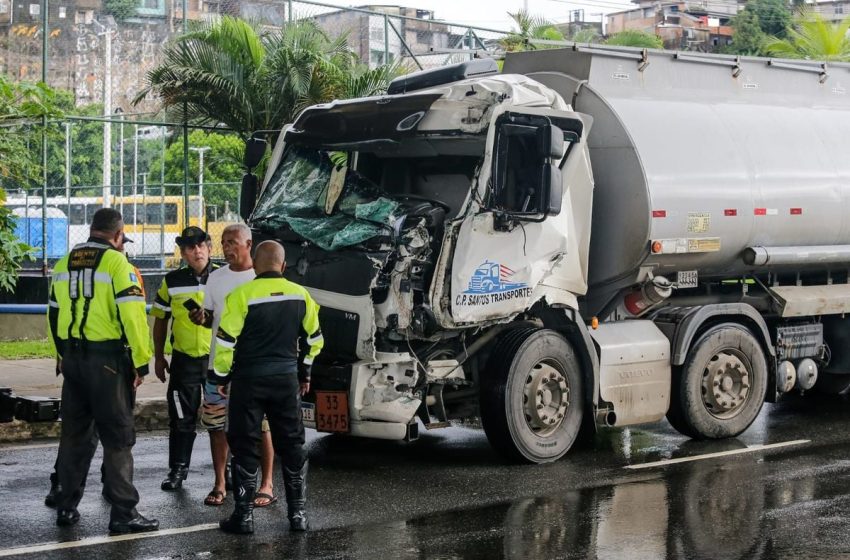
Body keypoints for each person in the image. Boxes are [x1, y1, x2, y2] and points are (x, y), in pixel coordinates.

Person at [47, 208, 158, 534]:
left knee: (74, 436)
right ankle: (124, 513)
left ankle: (66, 507)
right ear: (118, 234)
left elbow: (52, 316)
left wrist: (60, 354)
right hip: (108, 362)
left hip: (73, 362)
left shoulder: (64, 262)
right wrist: (141, 361)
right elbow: (134, 318)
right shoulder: (117, 264)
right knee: (118, 437)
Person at [210, 240, 323, 534]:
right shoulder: (302, 295)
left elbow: (225, 342)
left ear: (256, 266)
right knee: (293, 444)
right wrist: (305, 371)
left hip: (249, 381)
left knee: (244, 444)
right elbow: (315, 340)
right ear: (283, 266)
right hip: (286, 381)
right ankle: (297, 516)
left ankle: (244, 518)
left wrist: (221, 377)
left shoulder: (241, 295)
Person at [192, 223, 277, 507]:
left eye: (233, 242)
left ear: (249, 244)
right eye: (224, 242)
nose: (227, 248)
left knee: (261, 427)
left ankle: (266, 483)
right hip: (218, 367)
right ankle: (220, 482)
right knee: (216, 426)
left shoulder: (261, 278)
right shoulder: (215, 278)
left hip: (252, 369)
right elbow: (212, 321)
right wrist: (201, 319)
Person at [151, 226, 218, 491]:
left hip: (217, 360)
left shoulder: (224, 276)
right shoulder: (172, 280)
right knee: (181, 418)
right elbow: (160, 320)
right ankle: (178, 470)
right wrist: (158, 357)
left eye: (201, 245)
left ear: (210, 248)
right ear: (183, 253)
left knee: (222, 419)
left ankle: (226, 472)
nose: (197, 251)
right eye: (190, 247)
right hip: (184, 361)